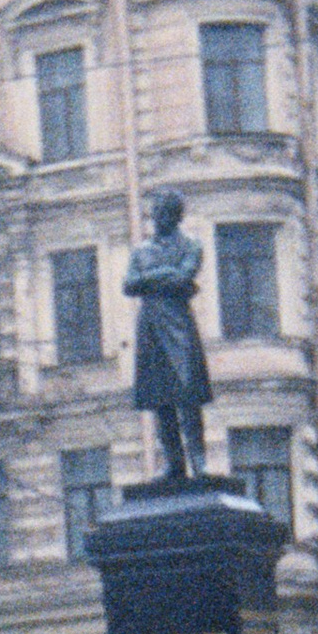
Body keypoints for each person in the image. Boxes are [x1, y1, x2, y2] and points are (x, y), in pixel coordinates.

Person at [124, 188, 213, 481]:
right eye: (155, 212)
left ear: (176, 216)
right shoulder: (141, 250)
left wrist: (151, 279)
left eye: (163, 212)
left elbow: (184, 277)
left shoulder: (192, 246)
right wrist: (164, 277)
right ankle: (175, 463)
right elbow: (129, 285)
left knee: (188, 395)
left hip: (178, 324)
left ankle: (199, 461)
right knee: (160, 400)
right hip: (150, 326)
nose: (157, 218)